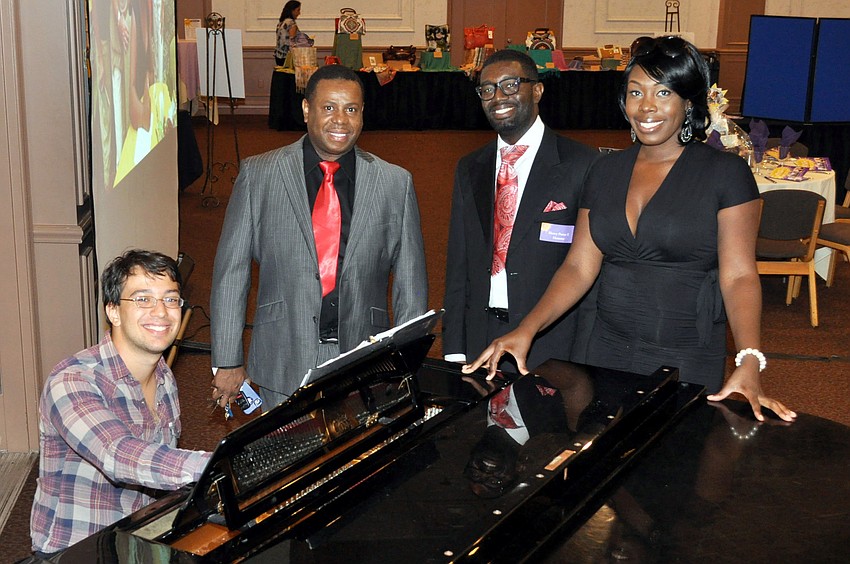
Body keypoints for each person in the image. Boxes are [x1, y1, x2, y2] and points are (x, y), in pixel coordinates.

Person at [464, 36, 796, 423]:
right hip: (604, 350)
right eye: (636, 92)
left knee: (675, 466)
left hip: (686, 353)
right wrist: (527, 328)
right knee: (598, 465)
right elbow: (578, 267)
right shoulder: (605, 170)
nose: (647, 106)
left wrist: (749, 357)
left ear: (688, 102)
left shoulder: (726, 174)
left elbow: (739, 275)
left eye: (664, 92)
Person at [210, 64, 428, 408]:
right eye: (329, 108)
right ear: (307, 110)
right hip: (282, 356)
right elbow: (231, 273)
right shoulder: (259, 174)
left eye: (351, 109)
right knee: (283, 457)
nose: (340, 120)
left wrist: (404, 361)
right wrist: (226, 359)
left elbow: (411, 284)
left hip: (364, 358)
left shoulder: (395, 182)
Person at [30, 250, 211, 557]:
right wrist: (213, 463)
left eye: (170, 299)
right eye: (143, 299)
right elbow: (118, 455)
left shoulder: (164, 377)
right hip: (75, 549)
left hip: (138, 538)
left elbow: (157, 470)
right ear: (112, 311)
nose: (161, 312)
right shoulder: (73, 381)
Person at [443, 49, 597, 372]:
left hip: (551, 343)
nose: (498, 96)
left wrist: (582, 360)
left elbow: (587, 273)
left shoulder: (582, 164)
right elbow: (459, 265)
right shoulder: (469, 167)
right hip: (481, 342)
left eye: (511, 85)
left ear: (538, 90)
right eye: (487, 89)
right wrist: (454, 350)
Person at [274, 1, 302, 66]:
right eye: (298, 10)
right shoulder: (291, 23)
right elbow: (292, 42)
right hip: (288, 57)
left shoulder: (281, 22)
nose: (299, 13)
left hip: (278, 56)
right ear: (292, 10)